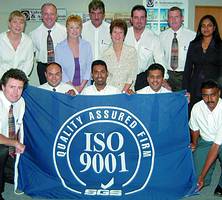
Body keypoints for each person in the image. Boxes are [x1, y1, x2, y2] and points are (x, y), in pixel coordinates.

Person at [189, 80, 222, 196]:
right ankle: (205, 178)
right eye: (205, 96)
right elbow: (194, 128)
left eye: (212, 95)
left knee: (201, 177)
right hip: (206, 141)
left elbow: (216, 146)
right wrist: (195, 143)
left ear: (219, 93)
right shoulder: (197, 107)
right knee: (195, 178)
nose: (209, 99)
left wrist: (202, 177)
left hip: (219, 143)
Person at [182, 15, 222, 110]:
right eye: (203, 26)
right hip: (195, 88)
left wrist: (219, 90)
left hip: (214, 89)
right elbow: (187, 69)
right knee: (194, 115)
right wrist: (186, 91)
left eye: (209, 25)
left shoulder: (220, 46)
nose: (206, 28)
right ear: (200, 28)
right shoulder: (193, 45)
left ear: (214, 28)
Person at [125, 5, 168, 91]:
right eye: (136, 17)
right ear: (131, 19)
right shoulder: (123, 35)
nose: (139, 21)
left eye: (142, 17)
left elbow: (160, 60)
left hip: (144, 80)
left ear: (146, 19)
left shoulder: (154, 38)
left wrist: (164, 80)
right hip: (125, 78)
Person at [0, 69, 28, 200]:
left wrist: (18, 144)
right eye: (12, 87)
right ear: (3, 86)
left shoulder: (20, 102)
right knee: (2, 150)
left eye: (20, 88)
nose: (16, 92)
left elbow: (18, 127)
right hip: (3, 147)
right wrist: (15, 143)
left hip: (8, 149)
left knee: (21, 177)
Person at [159, 6, 196, 91]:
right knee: (168, 101)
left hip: (185, 75)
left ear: (182, 18)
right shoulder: (162, 36)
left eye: (176, 17)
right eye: (171, 17)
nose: (173, 20)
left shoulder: (192, 36)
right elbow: (159, 58)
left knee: (183, 100)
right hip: (167, 75)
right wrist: (163, 78)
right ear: (168, 19)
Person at [30, 3, 66, 84]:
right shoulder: (34, 34)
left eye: (52, 14)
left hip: (61, 67)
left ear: (56, 15)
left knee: (62, 92)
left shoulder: (65, 31)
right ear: (41, 16)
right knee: (45, 93)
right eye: (46, 14)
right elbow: (30, 56)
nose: (49, 17)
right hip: (43, 68)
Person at [55, 15, 92, 93]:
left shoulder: (87, 45)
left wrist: (81, 87)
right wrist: (72, 87)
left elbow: (89, 67)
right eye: (71, 27)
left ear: (81, 29)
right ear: (67, 29)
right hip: (66, 87)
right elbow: (60, 69)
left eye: (77, 28)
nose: (74, 31)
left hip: (84, 87)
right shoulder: (59, 47)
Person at [101, 19, 137, 93]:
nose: (117, 35)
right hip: (111, 93)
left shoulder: (131, 51)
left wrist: (123, 92)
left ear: (124, 35)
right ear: (111, 34)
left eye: (120, 32)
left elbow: (132, 75)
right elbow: (105, 77)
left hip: (128, 93)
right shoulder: (105, 54)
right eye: (115, 32)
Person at [0, 10, 33, 78]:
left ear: (24, 25)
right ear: (9, 24)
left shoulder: (28, 41)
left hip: (20, 80)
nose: (18, 25)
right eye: (15, 22)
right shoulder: (1, 39)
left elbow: (29, 63)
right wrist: (5, 80)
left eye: (21, 22)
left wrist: (20, 79)